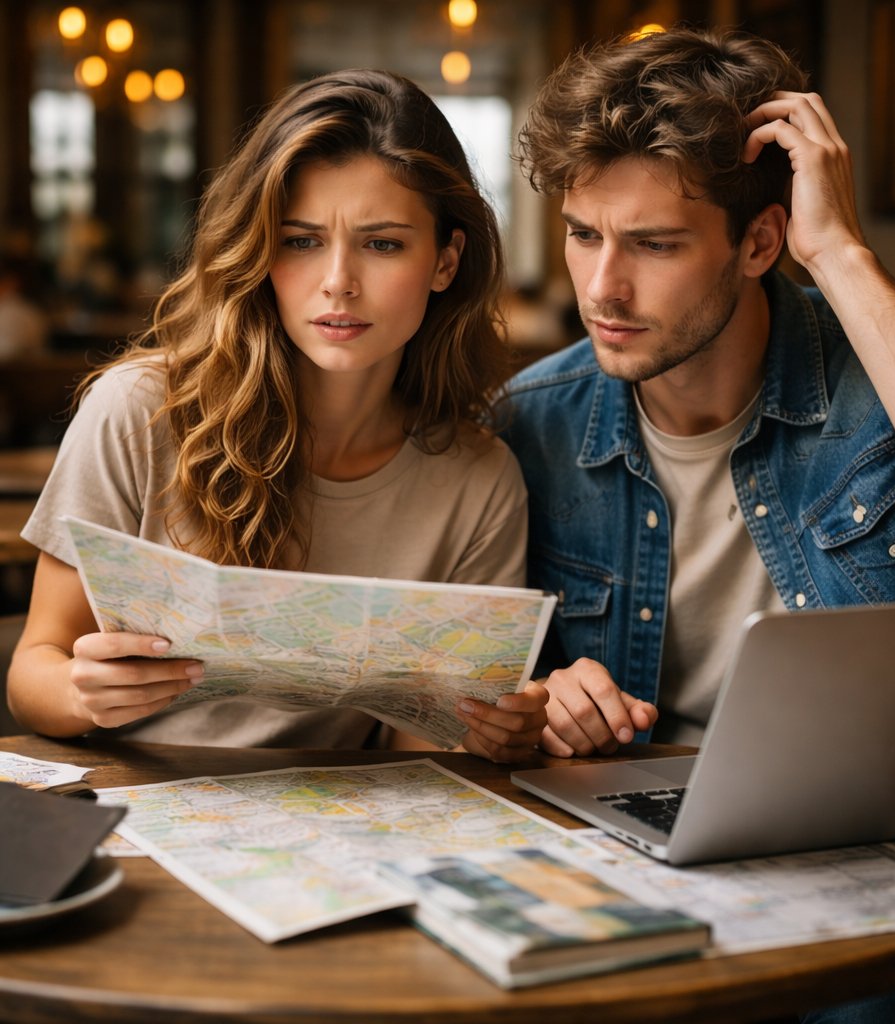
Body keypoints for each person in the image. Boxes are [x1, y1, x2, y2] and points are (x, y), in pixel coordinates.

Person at [500, 26, 895, 1023]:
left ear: (759, 239)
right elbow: (493, 688)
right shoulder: (534, 421)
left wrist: (840, 254)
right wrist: (547, 700)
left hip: (894, 867)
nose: (602, 289)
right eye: (582, 233)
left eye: (652, 244)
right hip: (639, 861)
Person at [8, 68, 547, 763]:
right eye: (301, 240)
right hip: (133, 803)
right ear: (261, 251)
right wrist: (84, 692)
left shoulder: (479, 479)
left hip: (342, 830)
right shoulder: (140, 409)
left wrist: (482, 728)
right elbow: (32, 673)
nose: (338, 282)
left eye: (383, 244)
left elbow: (416, 743)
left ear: (445, 261)